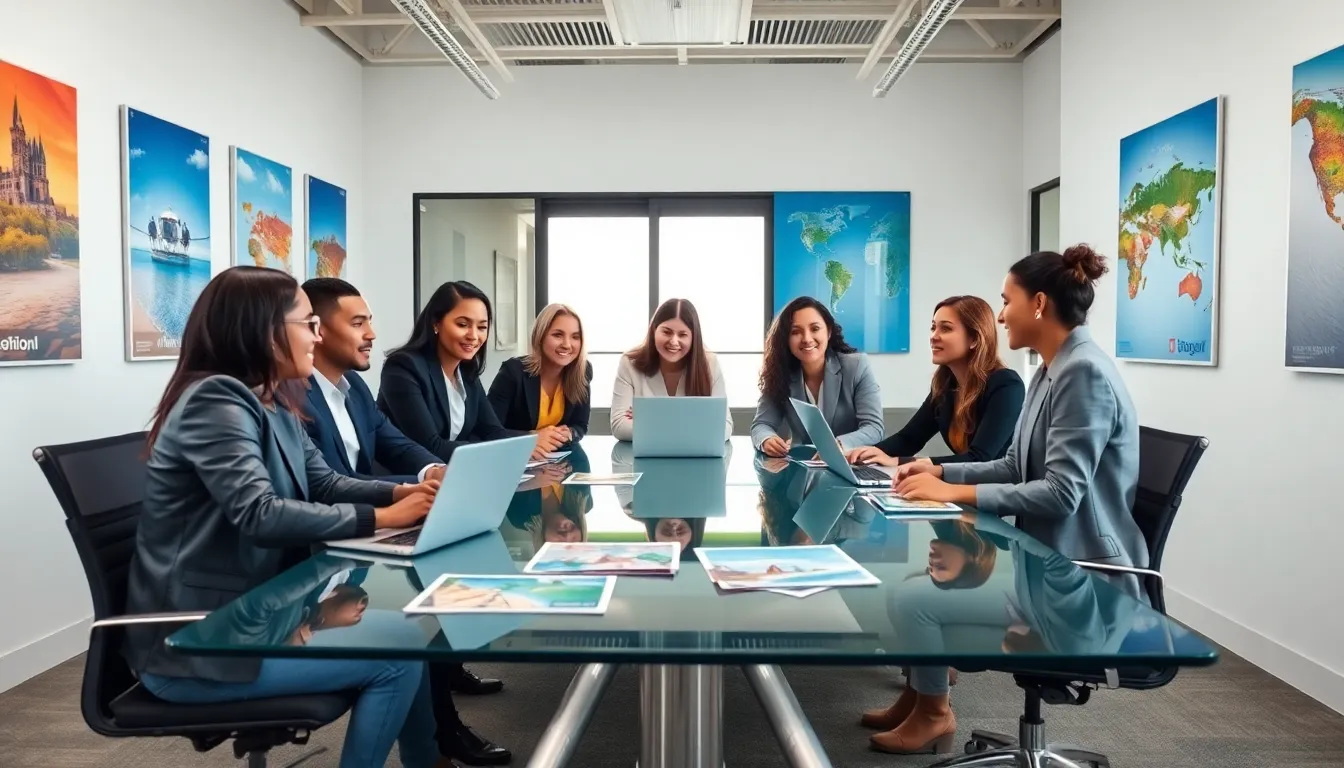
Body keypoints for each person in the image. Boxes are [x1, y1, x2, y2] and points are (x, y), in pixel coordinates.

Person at [122, 266, 451, 768]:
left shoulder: (273, 398)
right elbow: (260, 514)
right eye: (308, 324)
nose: (317, 336)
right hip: (198, 645)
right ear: (265, 331)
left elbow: (326, 483)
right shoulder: (216, 400)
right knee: (396, 657)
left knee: (409, 630)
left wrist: (404, 491)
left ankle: (427, 761)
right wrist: (384, 518)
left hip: (260, 618)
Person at [871, 244, 1145, 755]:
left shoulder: (1082, 372)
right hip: (1042, 567)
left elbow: (1062, 493)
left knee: (912, 600)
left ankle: (934, 713)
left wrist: (951, 489)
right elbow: (1015, 466)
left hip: (1083, 583)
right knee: (907, 587)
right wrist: (939, 470)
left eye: (1006, 300)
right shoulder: (1050, 369)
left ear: (1038, 304)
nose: (999, 315)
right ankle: (921, 699)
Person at [300, 278, 510, 765]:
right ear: (316, 329)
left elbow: (394, 441)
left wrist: (430, 472)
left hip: (365, 529)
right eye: (358, 323)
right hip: (325, 550)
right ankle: (441, 738)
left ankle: (432, 750)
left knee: (448, 576)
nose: (373, 333)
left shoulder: (352, 387)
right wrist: (401, 495)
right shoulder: (293, 396)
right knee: (419, 613)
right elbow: (325, 484)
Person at [846, 295, 1024, 467]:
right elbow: (909, 439)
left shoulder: (1006, 384)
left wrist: (901, 462)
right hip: (967, 482)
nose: (933, 336)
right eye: (933, 328)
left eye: (945, 329)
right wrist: (862, 454)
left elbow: (980, 459)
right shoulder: (945, 386)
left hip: (1003, 486)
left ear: (975, 339)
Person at [378, 281, 519, 462]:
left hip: (455, 469)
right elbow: (430, 446)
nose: (474, 336)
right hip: (408, 475)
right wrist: (486, 448)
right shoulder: (402, 367)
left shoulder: (467, 372)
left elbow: (494, 432)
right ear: (436, 323)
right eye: (462, 324)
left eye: (482, 327)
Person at [752, 296, 884, 456]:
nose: (807, 339)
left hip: (852, 464)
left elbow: (874, 429)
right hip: (804, 465)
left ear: (828, 332)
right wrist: (767, 439)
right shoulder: (780, 373)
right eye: (795, 332)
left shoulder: (857, 366)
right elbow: (761, 425)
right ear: (786, 339)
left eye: (815, 329)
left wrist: (838, 445)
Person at [610, 298, 732, 442]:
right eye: (667, 332)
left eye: (682, 335)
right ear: (654, 330)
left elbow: (724, 428)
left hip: (694, 454)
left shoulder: (710, 363)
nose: (674, 341)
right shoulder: (630, 362)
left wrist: (649, 419)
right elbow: (620, 426)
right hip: (646, 454)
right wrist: (694, 425)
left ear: (694, 338)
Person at [487, 303, 593, 460]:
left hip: (555, 461)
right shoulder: (513, 372)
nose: (567, 344)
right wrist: (531, 437)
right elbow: (488, 430)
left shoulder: (582, 371)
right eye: (557, 335)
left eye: (575, 337)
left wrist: (569, 433)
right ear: (540, 336)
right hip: (512, 460)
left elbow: (580, 425)